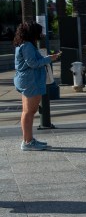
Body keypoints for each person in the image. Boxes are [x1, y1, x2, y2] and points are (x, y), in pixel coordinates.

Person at [13, 22, 61, 151]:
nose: (41, 34)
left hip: (27, 80)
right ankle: (27, 142)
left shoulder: (22, 44)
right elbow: (33, 64)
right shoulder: (27, 45)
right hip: (31, 81)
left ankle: (28, 140)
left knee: (27, 111)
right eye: (39, 32)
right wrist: (48, 59)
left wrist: (48, 58)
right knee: (29, 112)